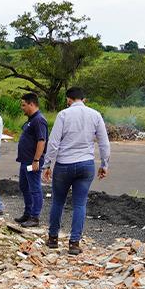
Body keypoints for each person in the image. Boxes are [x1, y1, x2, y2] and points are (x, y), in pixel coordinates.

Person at [42, 86, 111, 255]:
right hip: (86, 164)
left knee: (58, 201)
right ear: (84, 99)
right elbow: (104, 142)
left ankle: (52, 239)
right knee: (80, 204)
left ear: (68, 99)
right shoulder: (95, 115)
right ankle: (74, 243)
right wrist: (104, 164)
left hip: (64, 164)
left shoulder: (63, 115)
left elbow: (53, 142)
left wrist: (47, 164)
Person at [16, 93, 48, 227]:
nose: (22, 108)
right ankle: (28, 213)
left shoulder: (39, 120)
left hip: (32, 161)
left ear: (32, 104)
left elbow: (42, 141)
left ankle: (35, 217)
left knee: (34, 188)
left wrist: (36, 160)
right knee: (24, 186)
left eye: (24, 105)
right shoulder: (31, 120)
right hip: (25, 160)